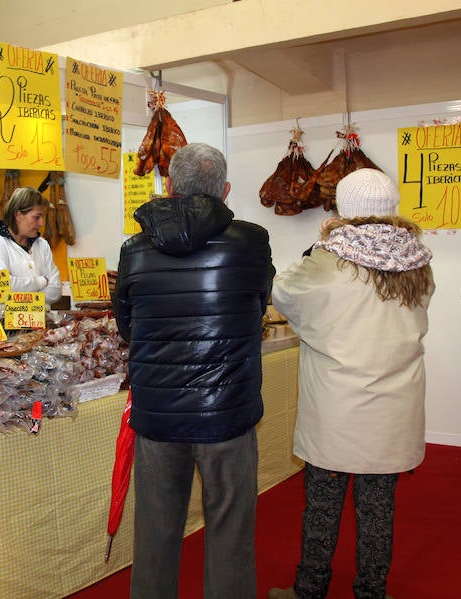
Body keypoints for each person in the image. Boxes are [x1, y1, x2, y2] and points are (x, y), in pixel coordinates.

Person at [113, 143, 274, 599]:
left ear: (168, 186)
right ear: (224, 191)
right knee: (230, 533)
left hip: (158, 413)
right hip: (227, 413)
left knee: (155, 536)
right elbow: (258, 306)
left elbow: (128, 327)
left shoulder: (134, 248)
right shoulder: (253, 242)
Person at [268, 168, 435, 599]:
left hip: (337, 407)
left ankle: (309, 590)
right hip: (393, 404)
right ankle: (371, 592)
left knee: (323, 506)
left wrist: (320, 243)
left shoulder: (328, 259)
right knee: (378, 509)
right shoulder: (417, 261)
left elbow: (284, 293)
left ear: (344, 208)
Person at [0, 186, 62, 312]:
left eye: (42, 217)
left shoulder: (42, 245)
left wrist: (20, 295)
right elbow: (4, 286)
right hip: (5, 326)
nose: (41, 223)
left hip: (40, 324)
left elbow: (56, 289)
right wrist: (41, 282)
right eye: (36, 217)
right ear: (18, 215)